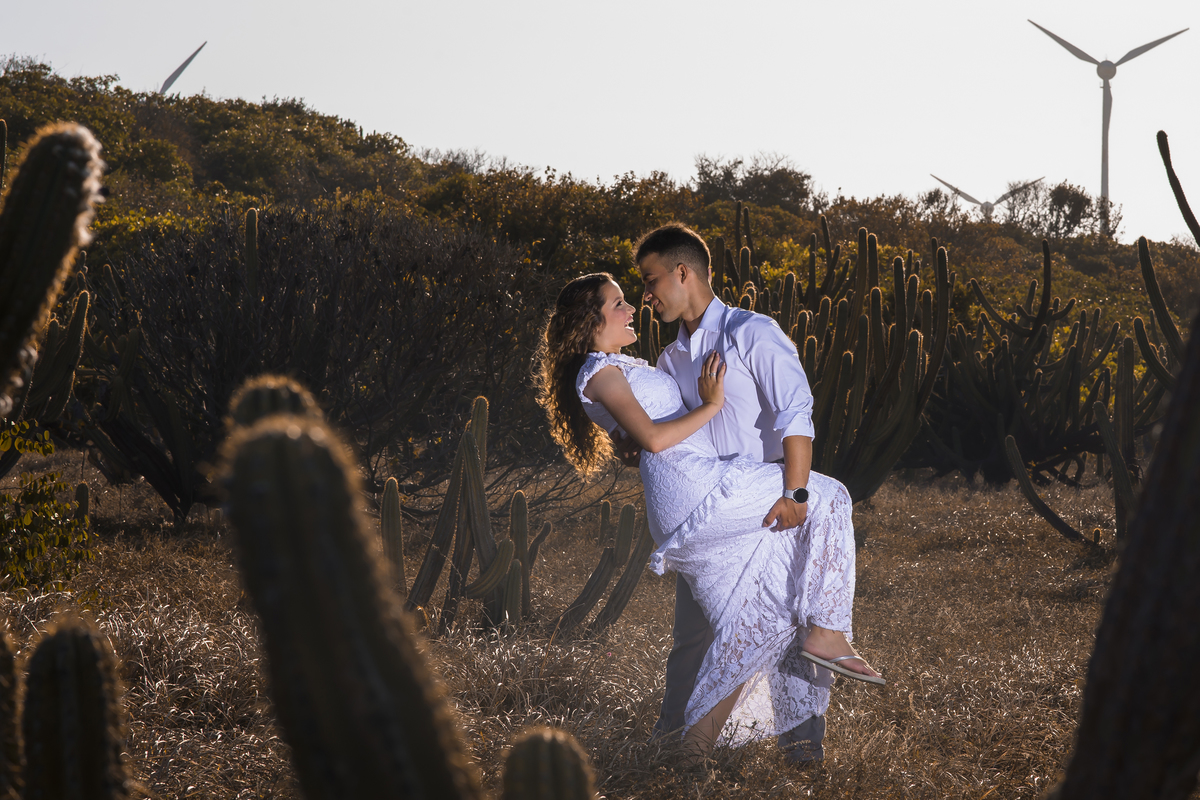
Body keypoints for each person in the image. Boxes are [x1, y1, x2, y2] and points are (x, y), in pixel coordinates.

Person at [535, 266, 882, 760]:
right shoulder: (600, 372)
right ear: (590, 322)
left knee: (756, 624)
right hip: (698, 489)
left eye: (633, 295)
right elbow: (655, 440)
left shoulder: (625, 366)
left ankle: (694, 753)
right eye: (618, 303)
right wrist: (713, 404)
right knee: (832, 495)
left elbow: (635, 442)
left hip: (700, 487)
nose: (633, 306)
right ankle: (827, 633)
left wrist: (635, 442)